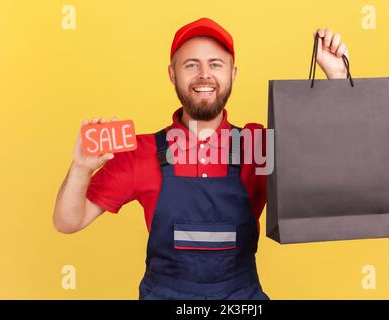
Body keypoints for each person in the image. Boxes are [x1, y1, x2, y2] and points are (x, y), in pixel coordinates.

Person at [53, 17, 350, 300]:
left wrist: (336, 79)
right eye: (191, 65)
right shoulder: (140, 152)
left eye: (216, 64)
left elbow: (324, 175)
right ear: (172, 74)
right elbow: (68, 221)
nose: (204, 75)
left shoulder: (258, 145)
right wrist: (80, 167)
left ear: (233, 73)